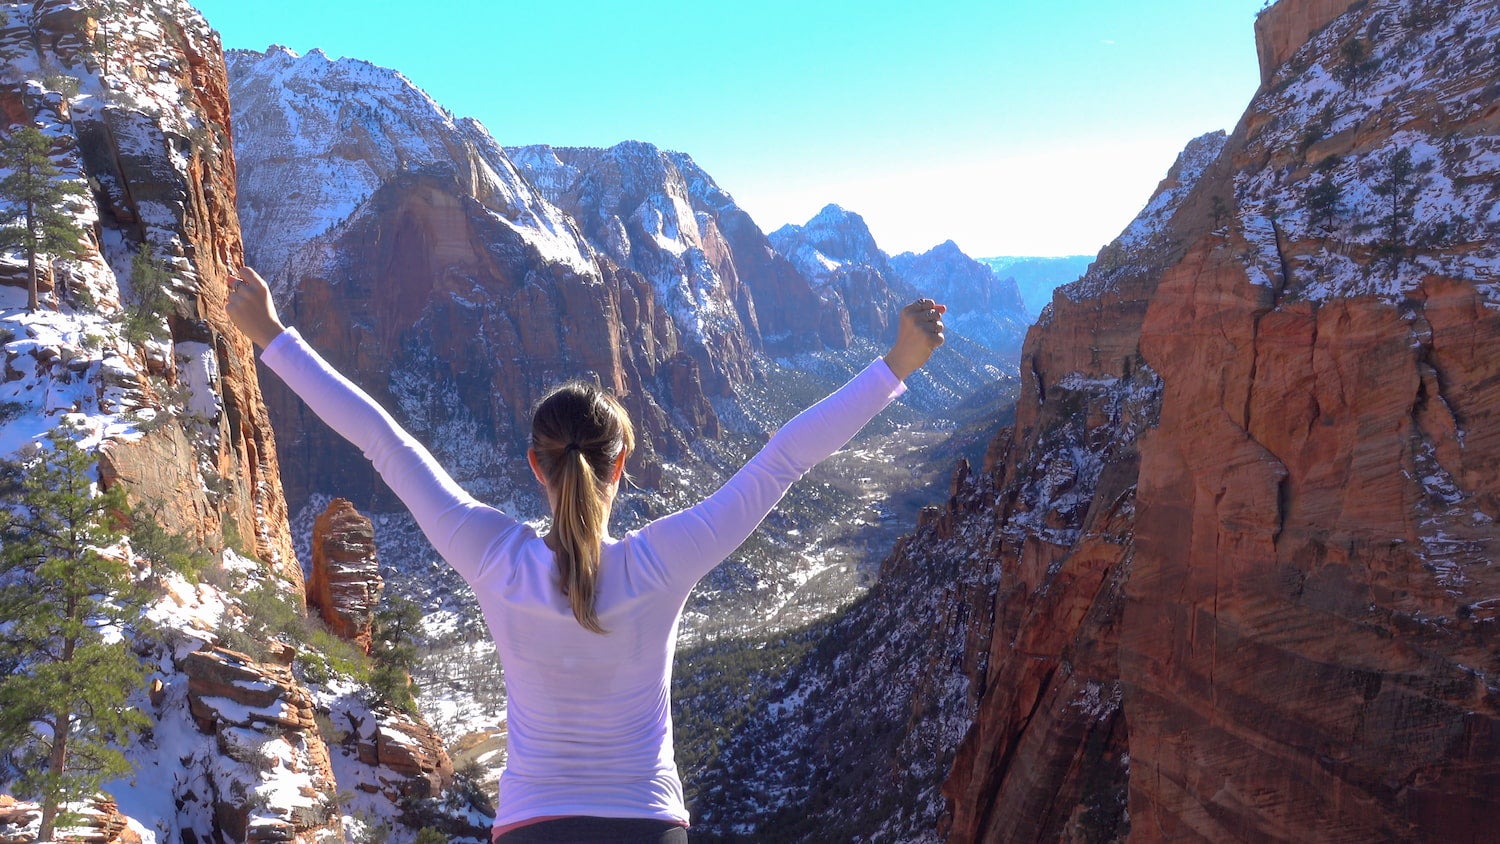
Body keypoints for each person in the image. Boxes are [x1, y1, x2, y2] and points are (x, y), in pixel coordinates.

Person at [227, 265, 946, 843]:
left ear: (536, 468)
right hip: (650, 828)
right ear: (621, 465)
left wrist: (270, 334)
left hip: (532, 827)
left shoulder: (492, 558)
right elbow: (782, 458)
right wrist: (896, 365)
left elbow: (382, 441)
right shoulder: (660, 562)